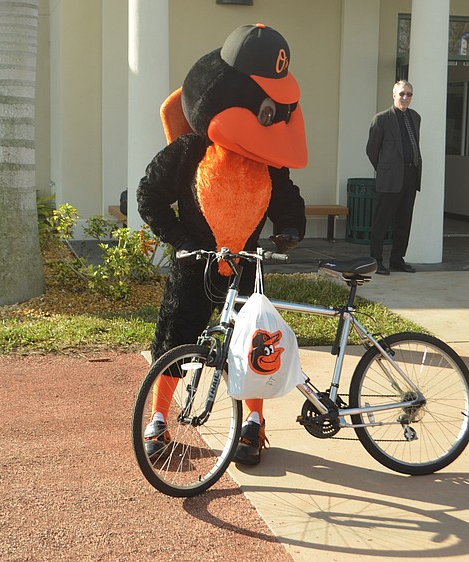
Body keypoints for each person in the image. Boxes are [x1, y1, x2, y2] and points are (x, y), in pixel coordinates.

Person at [137, 24, 307, 466]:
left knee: (250, 347)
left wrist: (288, 232)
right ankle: (158, 420)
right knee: (174, 340)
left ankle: (253, 423)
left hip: (247, 265)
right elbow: (150, 196)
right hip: (196, 263)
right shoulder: (191, 150)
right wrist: (180, 240)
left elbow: (288, 201)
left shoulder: (268, 162)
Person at [365, 80, 422, 275]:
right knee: (381, 222)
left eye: (409, 94)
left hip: (411, 176)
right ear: (393, 95)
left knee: (404, 221)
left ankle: (397, 259)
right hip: (389, 178)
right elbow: (372, 150)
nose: (405, 98)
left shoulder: (415, 117)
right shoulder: (381, 119)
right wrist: (384, 170)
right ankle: (376, 260)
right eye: (402, 94)